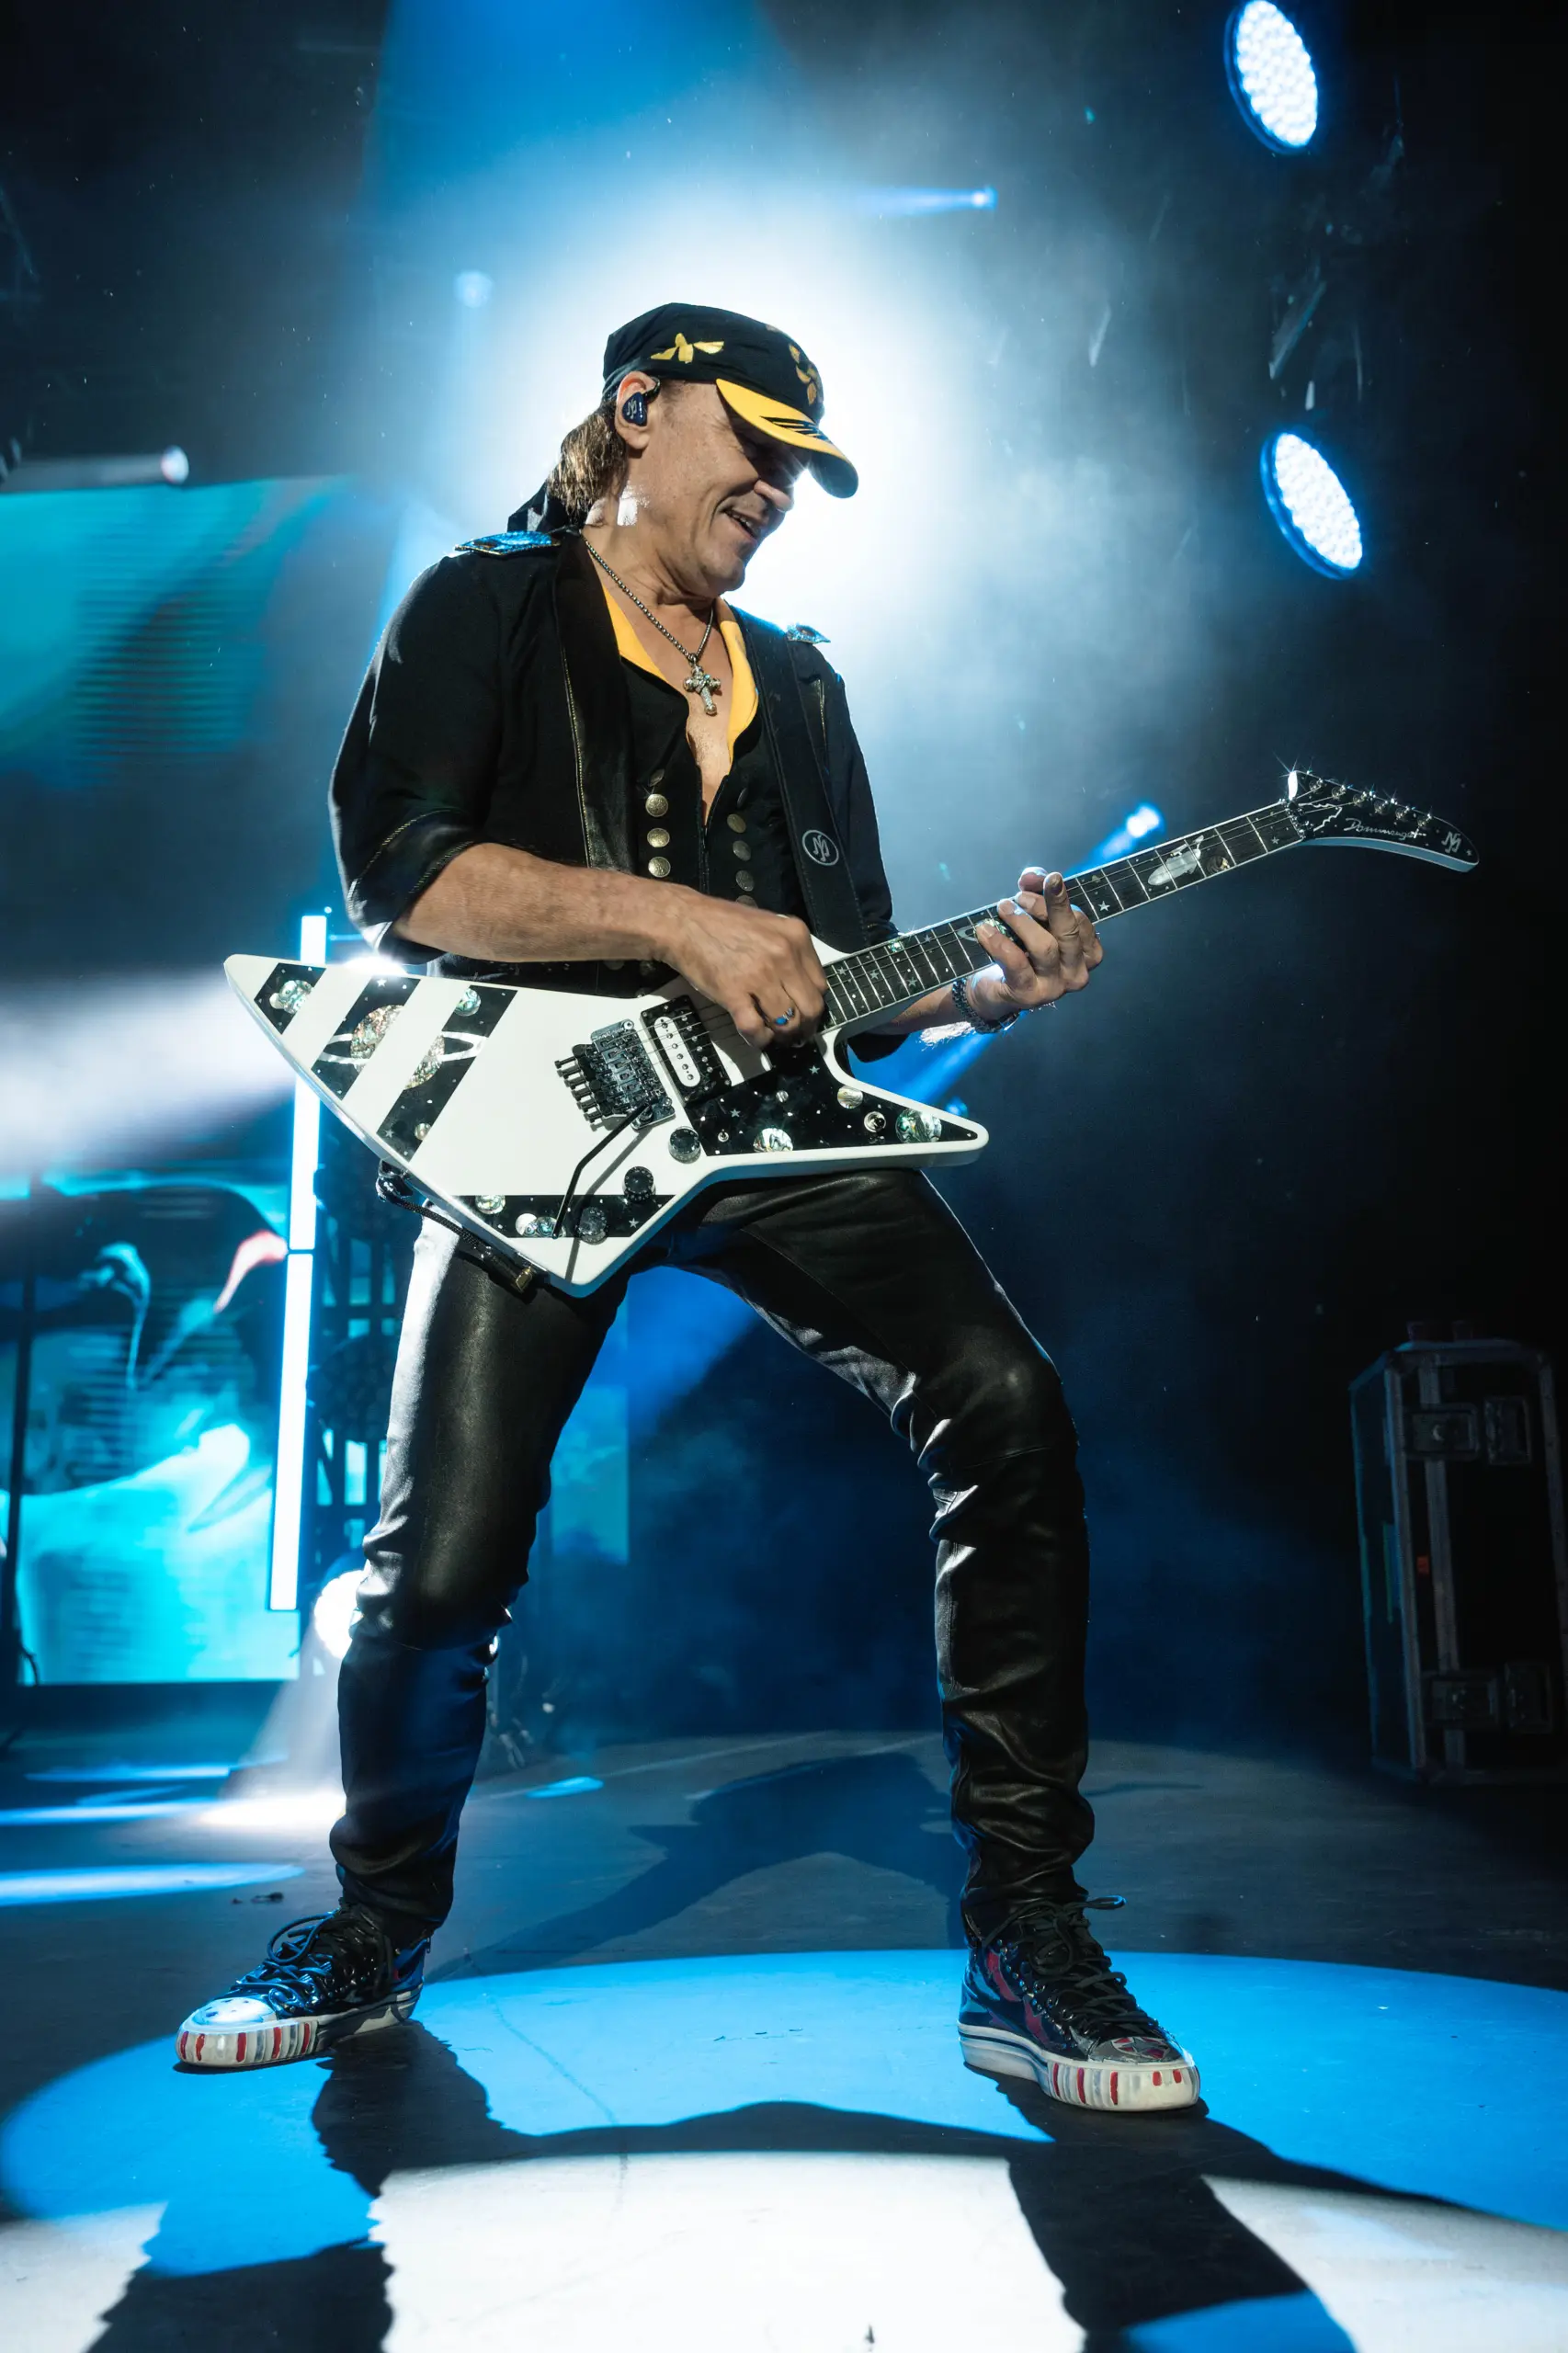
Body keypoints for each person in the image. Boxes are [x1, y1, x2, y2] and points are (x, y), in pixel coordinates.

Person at [176, 303, 1198, 2113]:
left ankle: (1025, 1932)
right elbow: (402, 872)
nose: (778, 490)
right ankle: (369, 1927)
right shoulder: (484, 603)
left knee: (1008, 1403)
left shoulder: (798, 681)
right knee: (440, 1569)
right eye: (756, 446)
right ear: (637, 411)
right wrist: (670, 918)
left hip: (774, 1132)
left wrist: (985, 985)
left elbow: (844, 979)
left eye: (802, 467)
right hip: (541, 1135)